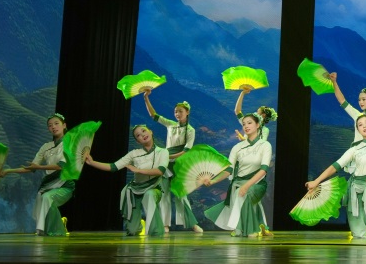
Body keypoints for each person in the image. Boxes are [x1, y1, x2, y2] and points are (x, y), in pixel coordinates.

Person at [306, 113, 366, 239]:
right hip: (355, 187)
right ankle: (364, 232)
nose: (364, 126)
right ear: (358, 130)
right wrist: (316, 181)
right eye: (360, 125)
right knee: (359, 234)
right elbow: (335, 166)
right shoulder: (355, 149)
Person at [84, 125, 169, 236]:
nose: (142, 135)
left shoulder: (163, 152)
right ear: (138, 141)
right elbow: (113, 166)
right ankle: (139, 225)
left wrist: (138, 170)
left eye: (144, 131)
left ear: (151, 132)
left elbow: (160, 171)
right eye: (138, 135)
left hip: (154, 189)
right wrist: (92, 162)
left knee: (149, 195)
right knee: (132, 231)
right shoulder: (134, 154)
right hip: (135, 190)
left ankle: (156, 230)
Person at [0, 114, 73, 236]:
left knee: (47, 198)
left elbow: (61, 166)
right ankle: (59, 223)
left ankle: (54, 230)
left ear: (64, 125)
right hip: (48, 185)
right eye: (50, 125)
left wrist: (39, 167)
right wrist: (8, 171)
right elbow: (31, 167)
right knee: (43, 197)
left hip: (65, 185)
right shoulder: (46, 147)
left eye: (56, 123)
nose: (53, 127)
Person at [203, 113, 273, 237]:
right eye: (244, 124)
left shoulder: (265, 145)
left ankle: (250, 229)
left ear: (258, 125)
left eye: (249, 123)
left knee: (246, 193)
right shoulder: (237, 147)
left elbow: (263, 170)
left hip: (257, 183)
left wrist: (246, 186)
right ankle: (257, 227)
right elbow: (229, 170)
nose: (246, 126)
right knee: (241, 194)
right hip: (238, 183)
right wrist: (213, 181)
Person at [144, 88, 202, 233]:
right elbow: (153, 115)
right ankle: (165, 224)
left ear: (187, 112)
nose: (177, 114)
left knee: (180, 193)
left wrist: (169, 157)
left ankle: (192, 223)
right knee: (164, 193)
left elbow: (186, 150)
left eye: (180, 111)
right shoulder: (171, 124)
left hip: (179, 162)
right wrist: (146, 97)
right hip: (166, 161)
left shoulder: (190, 130)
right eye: (175, 111)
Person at [330, 72, 366, 145]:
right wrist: (334, 82)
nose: (361, 102)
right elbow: (342, 101)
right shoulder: (357, 115)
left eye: (363, 99)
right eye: (359, 100)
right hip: (356, 149)